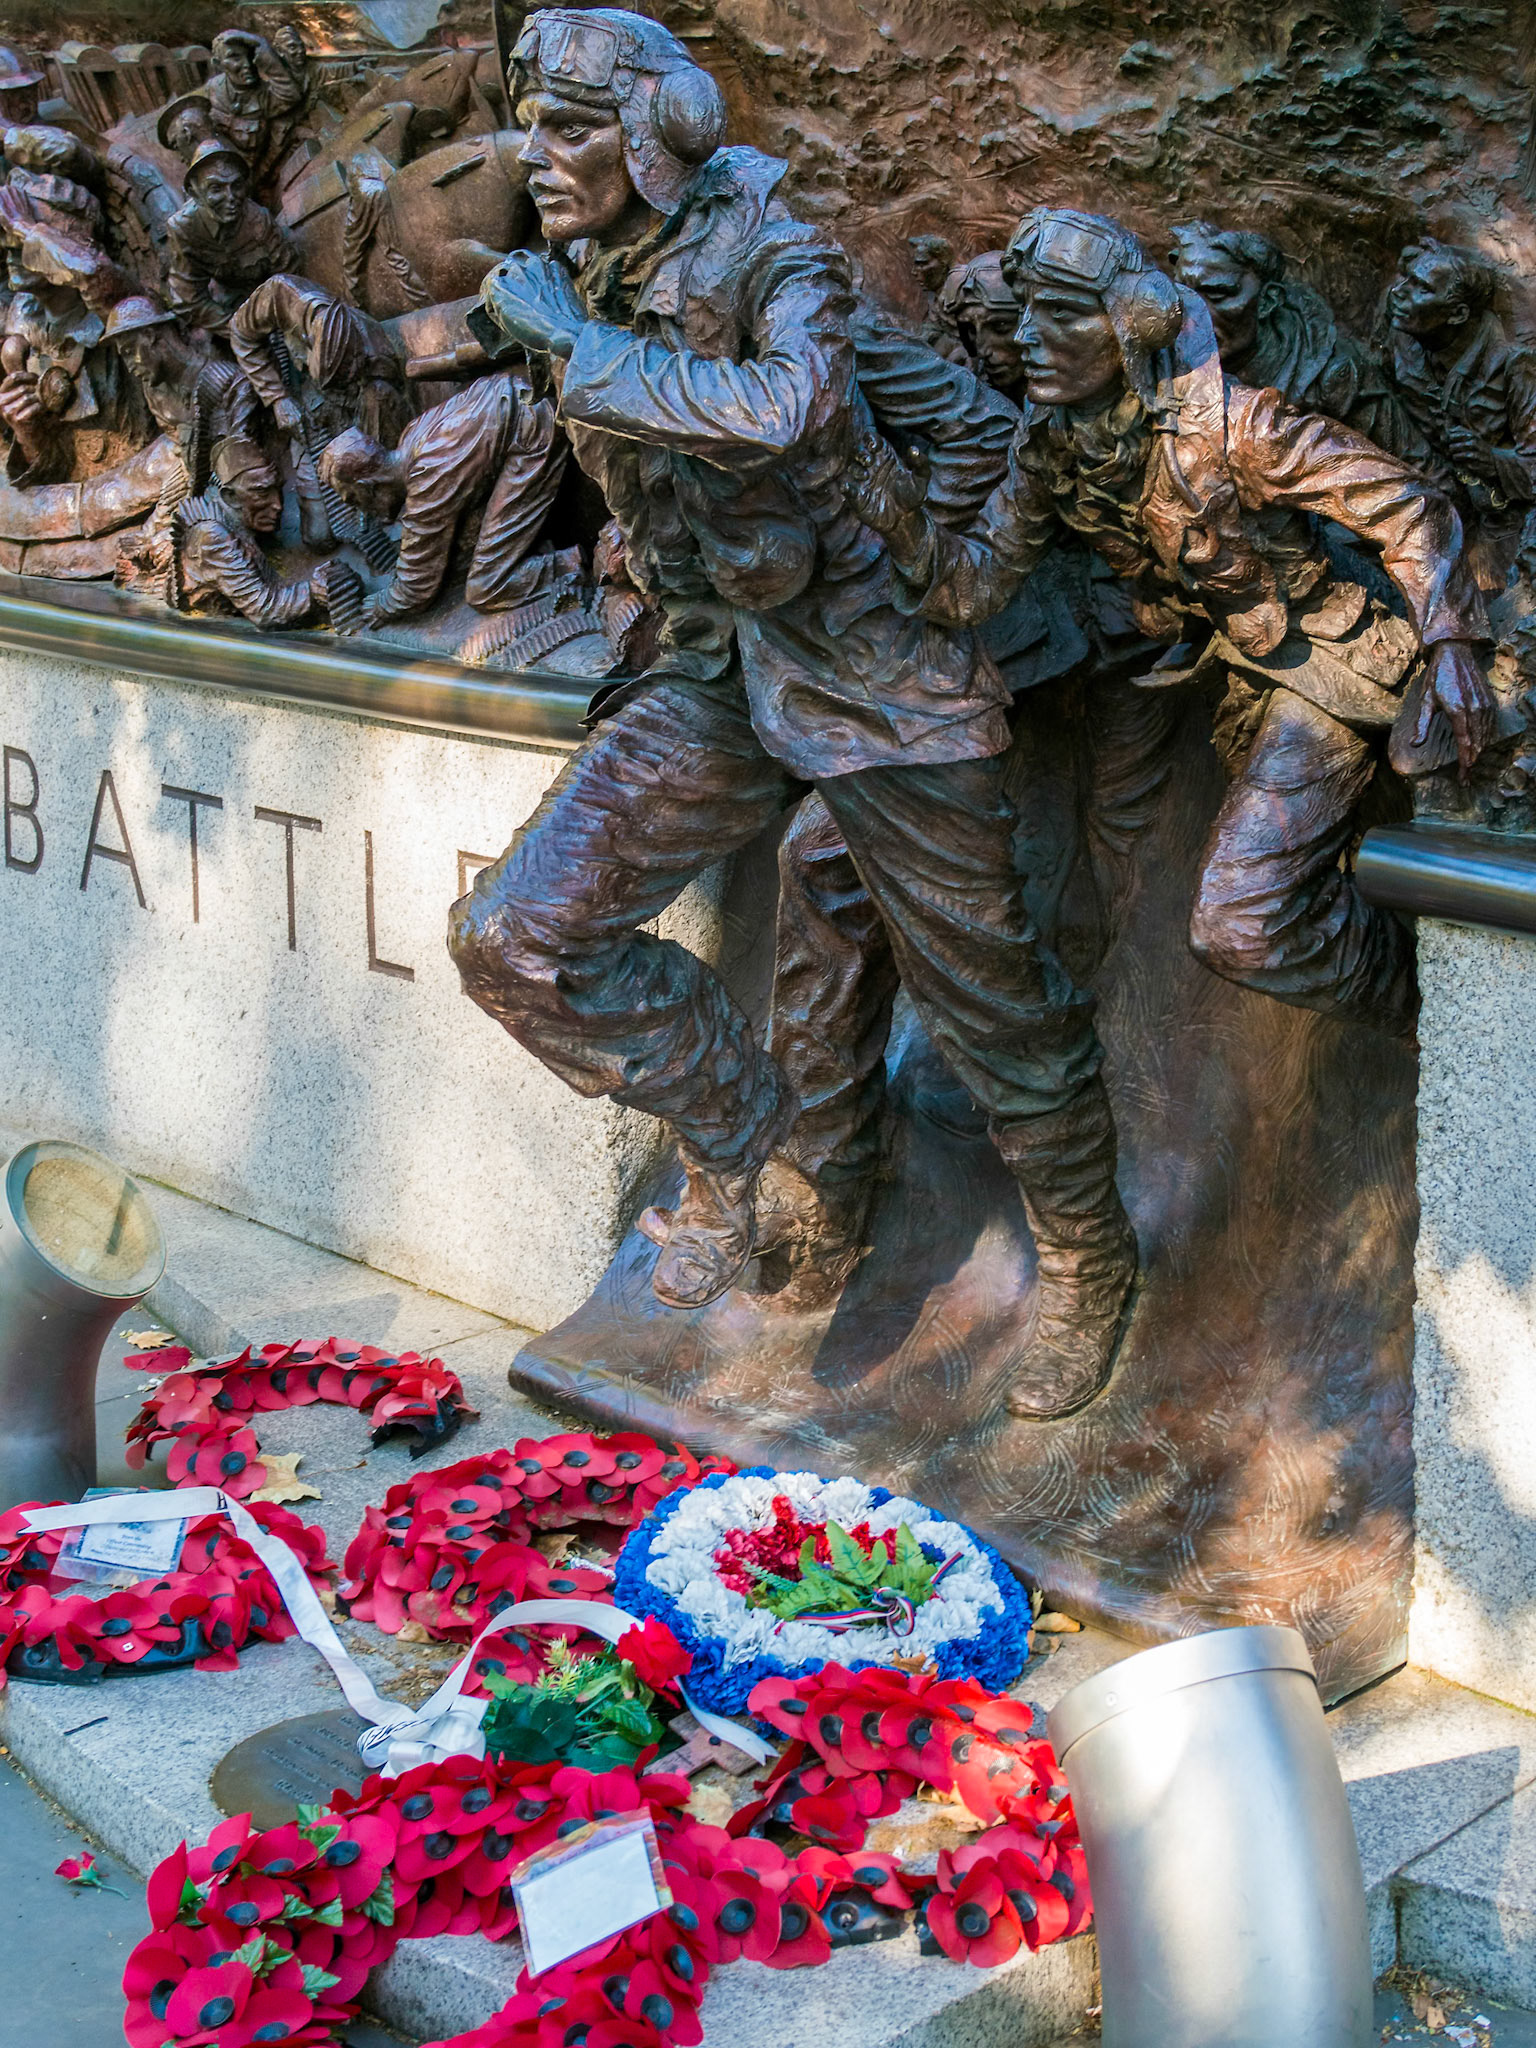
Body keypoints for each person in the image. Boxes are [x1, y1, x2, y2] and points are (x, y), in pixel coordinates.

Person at [450, 9, 1137, 1422]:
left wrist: (942, 581)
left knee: (994, 1004)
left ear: (658, 136)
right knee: (513, 937)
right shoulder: (590, 270)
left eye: (569, 126)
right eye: (531, 125)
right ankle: (746, 1144)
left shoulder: (777, 259)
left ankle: (1087, 1258)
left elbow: (791, 405)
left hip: (870, 674)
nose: (535, 155)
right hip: (718, 667)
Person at [851, 206, 1495, 1048]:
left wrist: (1451, 644)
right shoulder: (1052, 443)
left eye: (1061, 313)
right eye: (1027, 310)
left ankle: (1442, 1029)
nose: (1030, 336)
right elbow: (975, 586)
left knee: (1239, 922)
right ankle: (1439, 1022)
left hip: (1330, 668)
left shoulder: (1238, 430)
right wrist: (900, 522)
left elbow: (1408, 504)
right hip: (1236, 679)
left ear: (1131, 327)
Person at [1167, 222, 1435, 472]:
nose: (1192, 316)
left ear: (1268, 300)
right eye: (1182, 293)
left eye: (1217, 295)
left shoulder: (1335, 374)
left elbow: (1418, 467)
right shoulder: (1161, 353)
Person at [316, 365, 566, 624]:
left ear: (370, 485)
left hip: (532, 432)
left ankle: (570, 565)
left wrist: (382, 604)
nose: (361, 510)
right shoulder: (411, 435)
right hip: (519, 399)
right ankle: (529, 555)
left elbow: (416, 588)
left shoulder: (426, 481)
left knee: (486, 587)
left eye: (354, 499)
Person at [1384, 237, 1536, 586]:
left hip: (1503, 528)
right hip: (1436, 510)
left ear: (1457, 314)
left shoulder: (1513, 365)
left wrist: (1494, 461)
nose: (1399, 293)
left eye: (1421, 288)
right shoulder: (1403, 334)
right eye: (1406, 279)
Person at [230, 271, 409, 548]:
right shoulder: (281, 294)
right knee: (318, 537)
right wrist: (277, 398)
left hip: (353, 417)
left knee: (365, 528)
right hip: (304, 401)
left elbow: (378, 453)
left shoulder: (378, 366)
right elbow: (240, 335)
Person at [104, 293, 261, 491]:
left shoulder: (224, 375)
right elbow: (179, 445)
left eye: (129, 352)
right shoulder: (155, 394)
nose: (129, 367)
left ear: (150, 336)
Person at [166, 139, 288, 334]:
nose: (231, 197)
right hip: (223, 311)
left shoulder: (260, 221)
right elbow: (188, 299)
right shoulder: (183, 229)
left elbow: (289, 274)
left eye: (236, 185)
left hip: (271, 301)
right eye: (216, 188)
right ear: (195, 193)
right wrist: (239, 329)